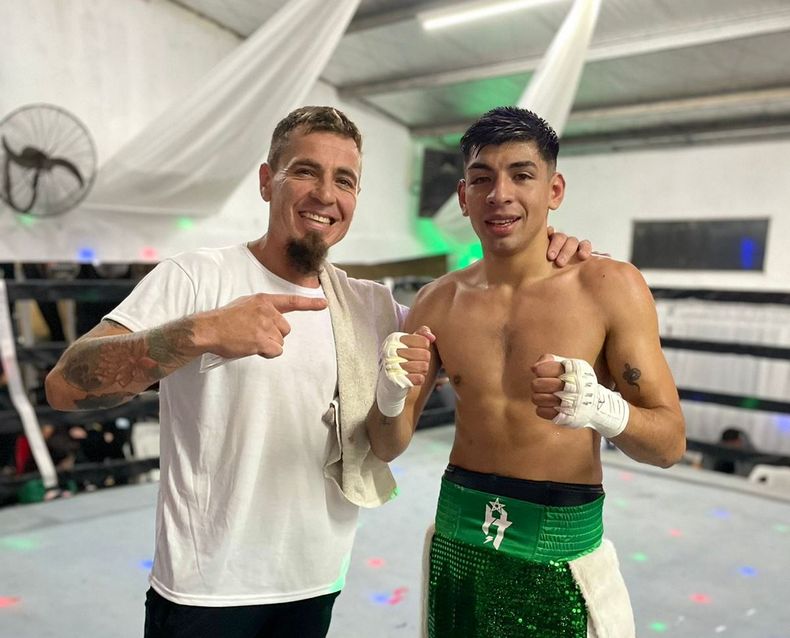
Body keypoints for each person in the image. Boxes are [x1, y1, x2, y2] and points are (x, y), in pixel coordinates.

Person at [44, 106, 590, 637]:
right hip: (206, 588)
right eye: (304, 171)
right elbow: (66, 386)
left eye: (344, 180)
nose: (326, 195)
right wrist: (200, 333)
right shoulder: (196, 277)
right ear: (266, 181)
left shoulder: (373, 307)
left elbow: (487, 320)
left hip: (315, 581)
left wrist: (555, 253)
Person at [367, 106, 686, 637]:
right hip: (459, 540)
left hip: (559, 551)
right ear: (464, 196)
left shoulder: (608, 286)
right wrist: (389, 397)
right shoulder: (437, 302)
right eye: (481, 178)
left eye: (521, 174)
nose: (500, 194)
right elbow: (386, 446)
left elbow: (670, 443)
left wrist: (602, 408)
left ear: (554, 190)